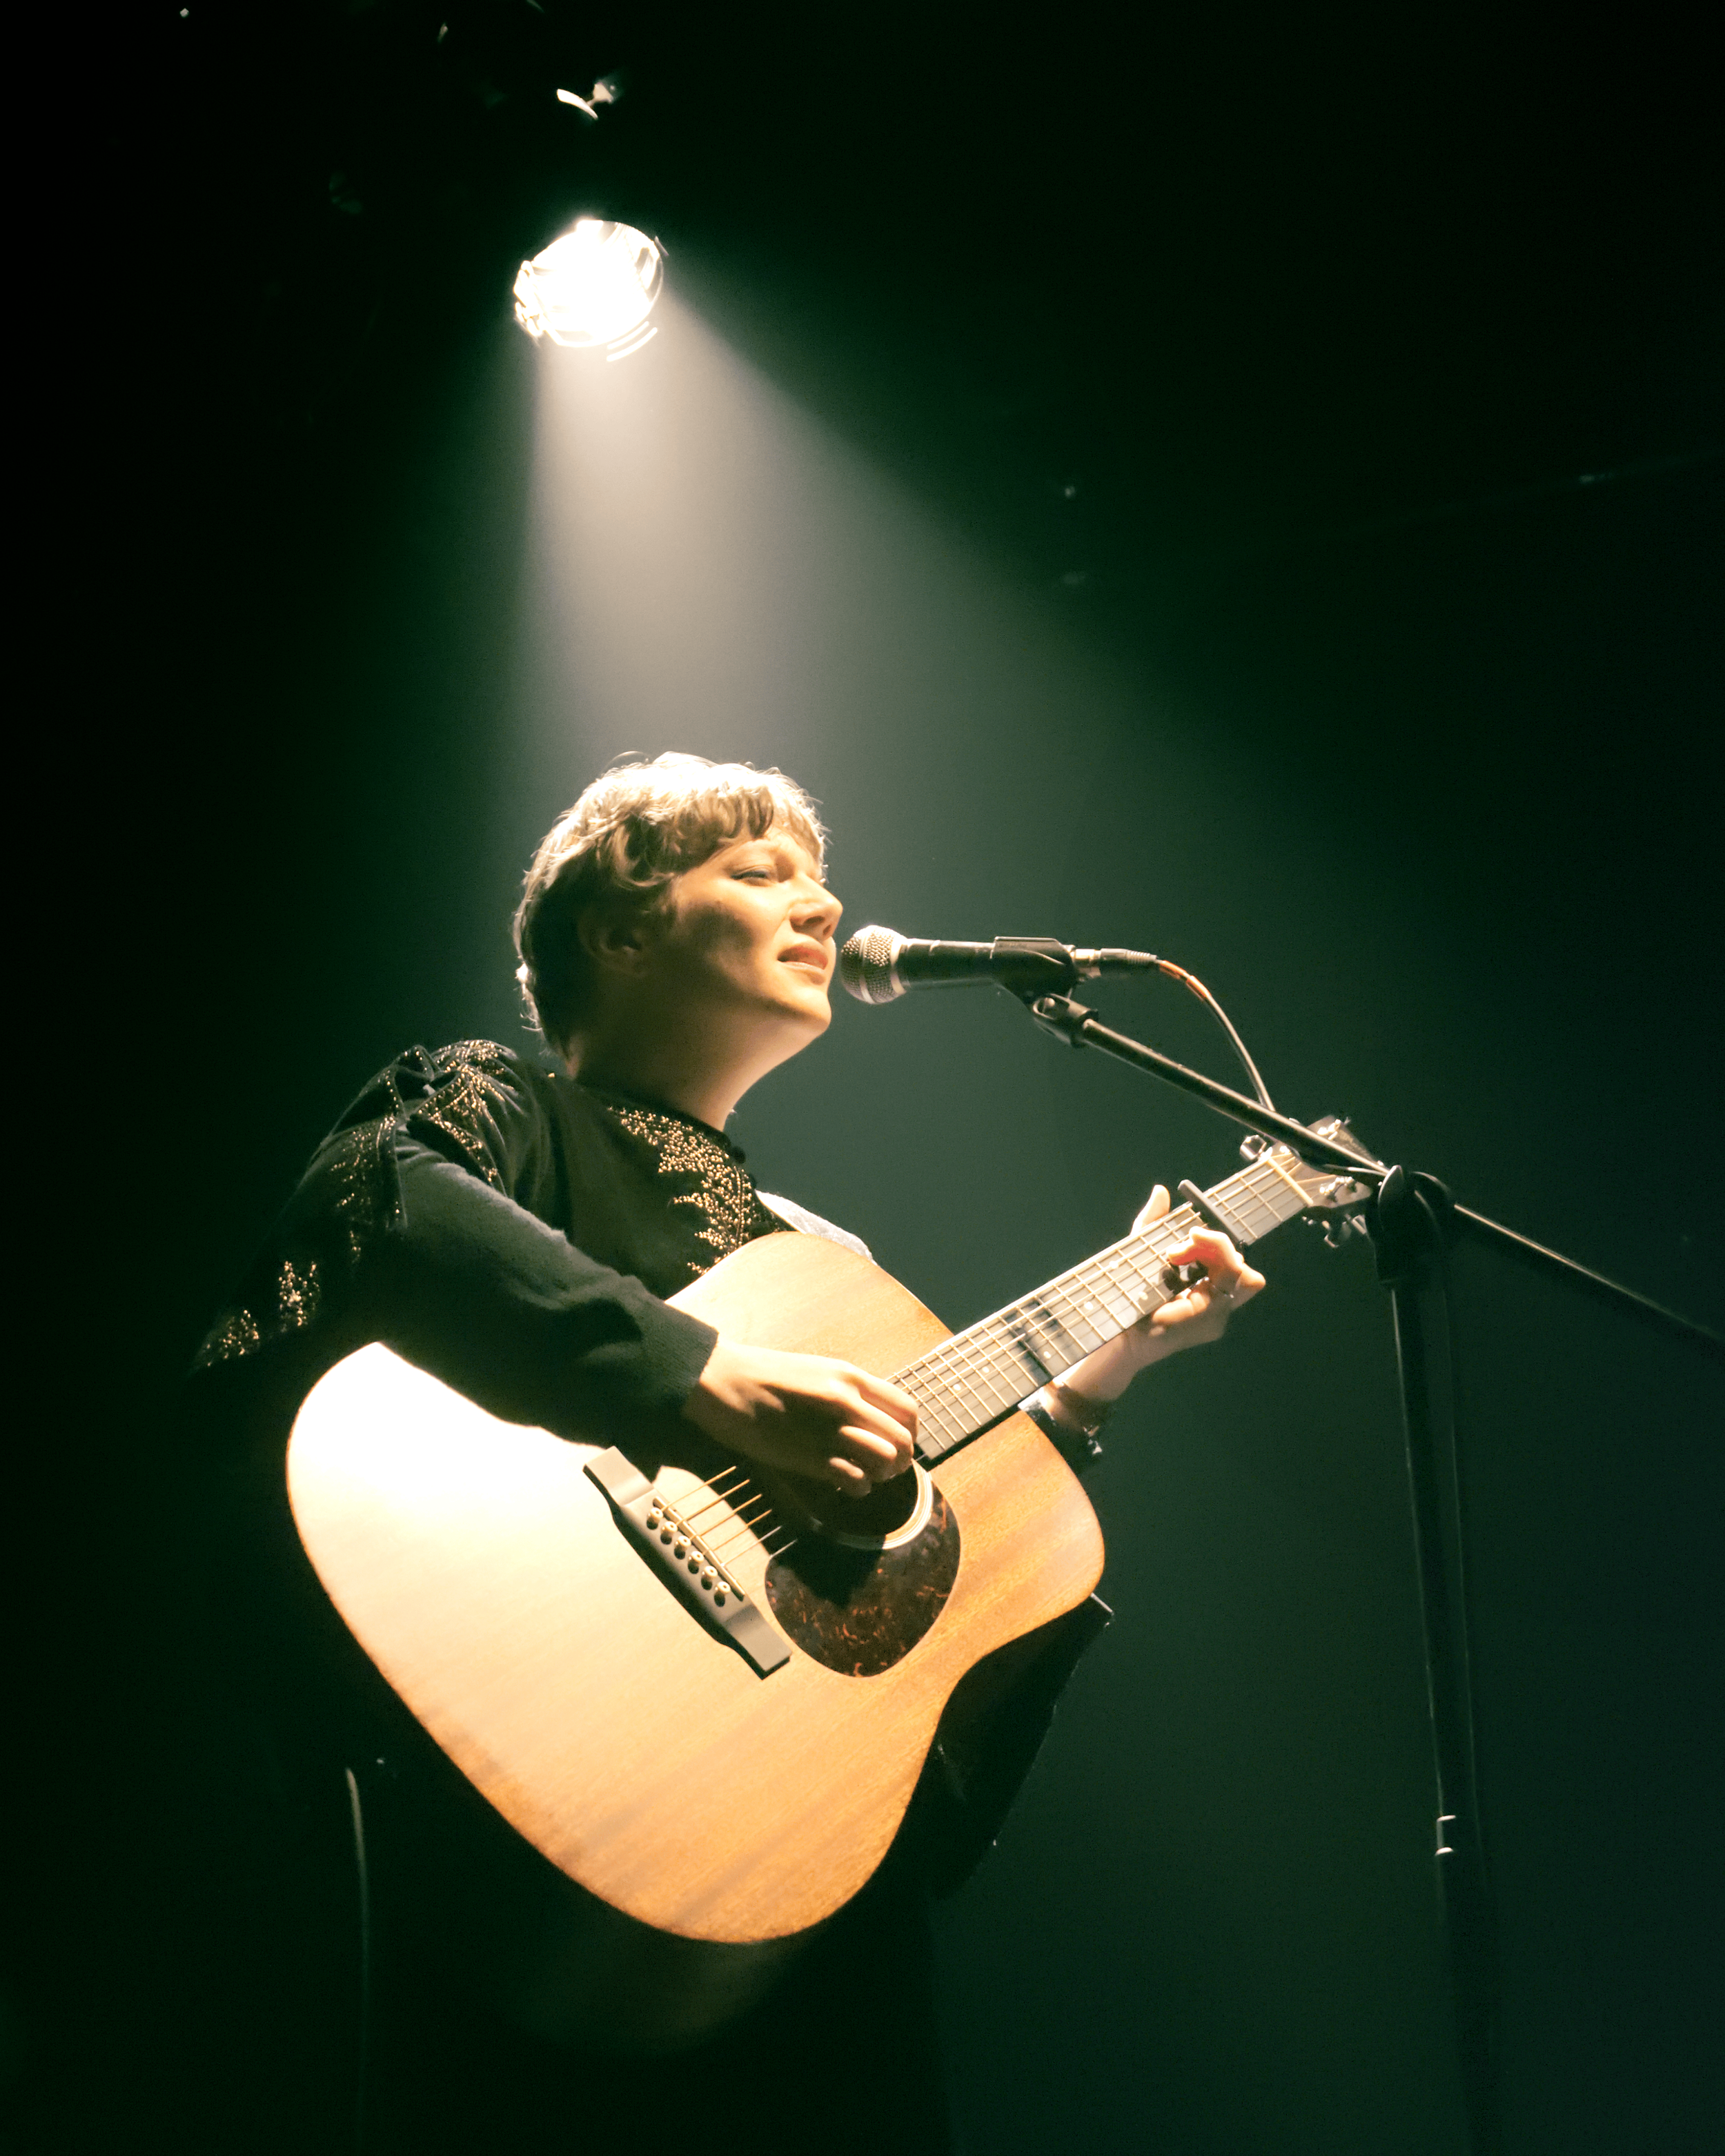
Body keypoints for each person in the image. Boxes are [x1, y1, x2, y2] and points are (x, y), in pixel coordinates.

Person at [186, 752, 1263, 2154]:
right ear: (618, 933)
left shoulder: (822, 1258)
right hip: (518, 1834)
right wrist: (700, 1376)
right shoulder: (501, 1106)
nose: (822, 905)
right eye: (758, 873)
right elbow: (384, 1204)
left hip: (776, 1893)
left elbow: (937, 1636)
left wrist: (1088, 1381)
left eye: (821, 878)